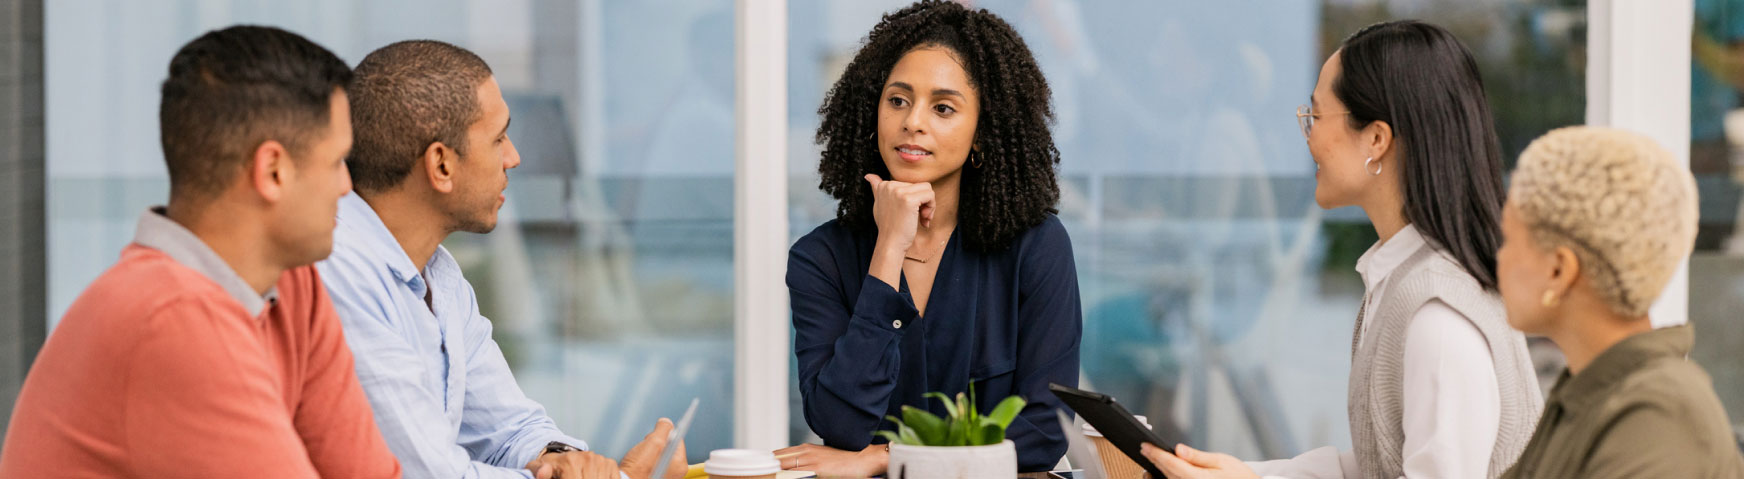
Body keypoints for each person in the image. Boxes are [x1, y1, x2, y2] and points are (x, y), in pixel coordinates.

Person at [1140, 20, 1542, 479]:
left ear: (1376, 139)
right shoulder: (1405, 282)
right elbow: (1383, 463)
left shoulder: (1440, 318)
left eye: (1314, 116)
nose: (1308, 137)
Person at [0, 26, 401, 478]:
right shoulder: (172, 318)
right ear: (272, 171)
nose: (347, 188)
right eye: (335, 164)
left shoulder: (293, 283)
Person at [315, 40, 680, 479]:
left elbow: (508, 429)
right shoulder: (337, 272)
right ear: (441, 166)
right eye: (499, 138)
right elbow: (426, 474)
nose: (514, 158)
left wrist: (563, 460)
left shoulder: (439, 271)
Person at [778, 1, 1081, 475]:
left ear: (982, 132)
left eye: (943, 108)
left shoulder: (1036, 247)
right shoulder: (821, 259)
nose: (912, 121)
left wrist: (889, 458)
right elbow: (839, 423)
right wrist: (888, 249)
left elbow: (1045, 431)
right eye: (897, 100)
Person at [1495, 127, 1744, 478]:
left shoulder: (1659, 415)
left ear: (1559, 270)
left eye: (1507, 239)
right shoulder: (1583, 393)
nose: (1499, 258)